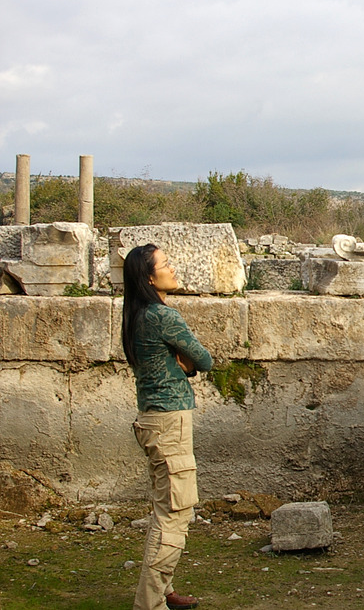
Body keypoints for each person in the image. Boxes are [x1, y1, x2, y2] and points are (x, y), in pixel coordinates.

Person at [122, 244, 213, 610]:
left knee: (166, 508)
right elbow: (204, 359)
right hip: (169, 422)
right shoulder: (162, 316)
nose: (172, 269)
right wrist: (185, 364)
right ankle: (149, 603)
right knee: (174, 514)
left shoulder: (136, 315)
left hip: (152, 419)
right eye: (165, 264)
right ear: (149, 277)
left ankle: (163, 590)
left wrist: (180, 362)